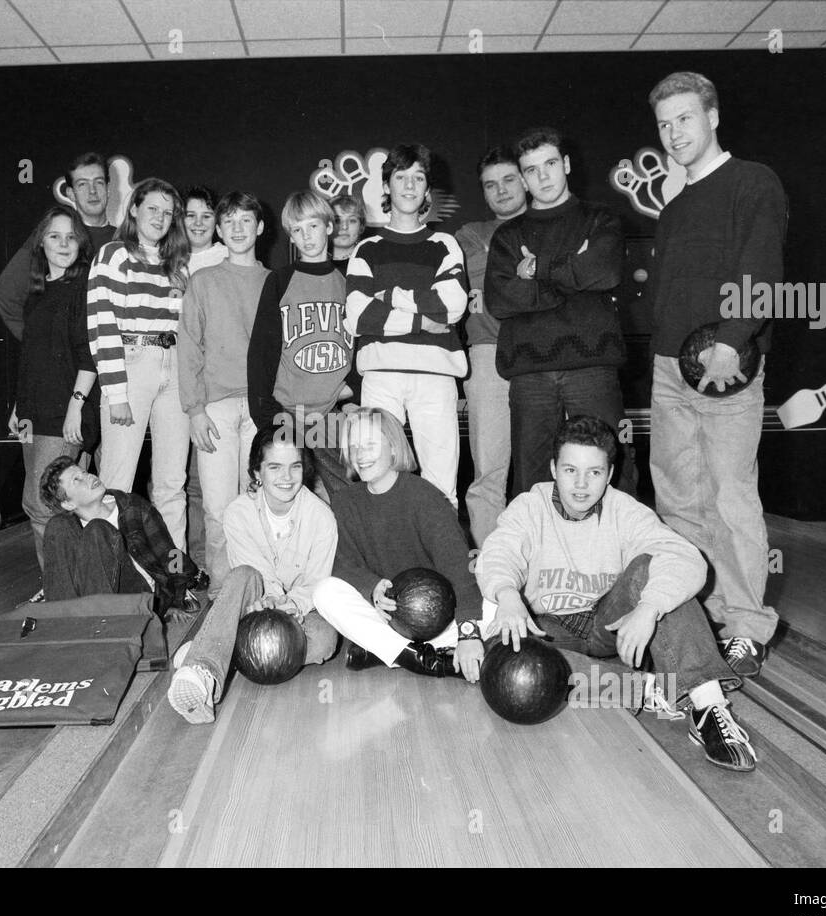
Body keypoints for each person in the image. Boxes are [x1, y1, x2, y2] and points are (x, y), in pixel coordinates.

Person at [474, 416, 754, 771]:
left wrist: (649, 608)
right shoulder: (529, 506)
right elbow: (499, 551)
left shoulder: (625, 509)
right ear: (552, 469)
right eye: (570, 470)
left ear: (608, 475)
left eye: (594, 473)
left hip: (610, 623)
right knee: (500, 662)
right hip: (547, 630)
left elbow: (686, 558)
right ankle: (648, 689)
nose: (580, 484)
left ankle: (708, 706)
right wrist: (507, 593)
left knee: (656, 571)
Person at [647, 71, 787, 677]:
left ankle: (747, 625)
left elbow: (760, 264)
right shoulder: (674, 206)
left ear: (712, 116)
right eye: (664, 124)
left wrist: (733, 340)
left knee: (730, 496)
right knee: (678, 499)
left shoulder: (752, 182)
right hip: (668, 370)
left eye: (684, 118)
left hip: (726, 365)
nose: (674, 132)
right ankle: (698, 612)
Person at [484, 128, 635, 499]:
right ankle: (538, 557)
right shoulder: (508, 235)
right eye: (531, 170)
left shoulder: (601, 219)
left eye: (550, 164)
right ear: (522, 177)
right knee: (532, 479)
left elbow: (605, 272)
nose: (543, 176)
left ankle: (620, 555)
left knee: (611, 468)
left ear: (566, 164)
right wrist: (572, 272)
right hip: (528, 374)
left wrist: (536, 270)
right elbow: (500, 300)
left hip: (593, 366)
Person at [168, 428, 339, 723]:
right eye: (274, 467)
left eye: (294, 466)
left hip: (300, 606)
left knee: (324, 642)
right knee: (242, 574)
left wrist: (292, 605)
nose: (286, 477)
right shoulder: (238, 512)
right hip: (255, 597)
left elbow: (316, 579)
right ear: (257, 472)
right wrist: (270, 600)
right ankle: (203, 671)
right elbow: (254, 570)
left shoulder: (322, 516)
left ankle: (212, 648)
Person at [313, 408, 484, 679]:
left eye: (369, 445)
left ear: (393, 448)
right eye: (354, 447)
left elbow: (460, 570)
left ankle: (385, 652)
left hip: (441, 617)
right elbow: (340, 563)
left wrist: (469, 633)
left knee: (498, 607)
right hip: (387, 617)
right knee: (324, 592)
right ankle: (421, 659)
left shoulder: (425, 496)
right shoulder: (345, 501)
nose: (360, 455)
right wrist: (372, 587)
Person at [344, 144, 469, 509]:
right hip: (381, 375)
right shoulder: (366, 249)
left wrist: (390, 295)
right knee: (378, 477)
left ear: (428, 190)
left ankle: (440, 566)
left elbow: (452, 305)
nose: (410, 186)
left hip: (436, 375)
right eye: (401, 177)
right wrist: (420, 319)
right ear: (387, 187)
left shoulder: (444, 244)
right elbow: (359, 316)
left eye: (418, 178)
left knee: (442, 486)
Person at [87, 177, 192, 551]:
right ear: (133, 209)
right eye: (153, 209)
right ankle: (108, 575)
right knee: (117, 482)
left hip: (174, 366)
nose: (160, 218)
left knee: (171, 482)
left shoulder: (177, 264)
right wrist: (116, 393)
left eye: (168, 213)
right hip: (131, 366)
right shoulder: (114, 255)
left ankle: (176, 575)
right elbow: (102, 325)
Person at [178, 191, 270, 595]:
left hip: (261, 408)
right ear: (218, 230)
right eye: (229, 221)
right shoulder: (203, 281)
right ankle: (220, 591)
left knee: (257, 504)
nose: (237, 229)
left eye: (245, 221)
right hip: (214, 408)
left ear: (260, 228)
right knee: (217, 508)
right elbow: (188, 347)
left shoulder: (274, 282)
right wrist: (195, 410)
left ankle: (257, 588)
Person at [248, 190, 358, 501]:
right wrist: (267, 417)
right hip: (288, 413)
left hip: (330, 414)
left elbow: (362, 342)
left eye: (312, 226)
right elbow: (261, 354)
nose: (306, 236)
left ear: (329, 226)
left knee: (349, 496)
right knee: (285, 496)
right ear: (290, 237)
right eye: (297, 230)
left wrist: (353, 390)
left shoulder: (350, 281)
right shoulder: (280, 281)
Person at [10, 207, 99, 587]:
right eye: (54, 236)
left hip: (64, 412)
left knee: (42, 504)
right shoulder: (37, 295)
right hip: (33, 413)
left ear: (80, 243)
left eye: (70, 236)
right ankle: (69, 587)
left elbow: (89, 356)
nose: (63, 244)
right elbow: (33, 357)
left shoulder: (84, 290)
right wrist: (18, 405)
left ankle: (60, 591)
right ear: (41, 243)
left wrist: (75, 407)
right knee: (51, 505)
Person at [455, 148, 529, 546]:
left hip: (544, 352)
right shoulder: (470, 234)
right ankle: (489, 560)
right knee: (489, 469)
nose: (500, 191)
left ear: (525, 179)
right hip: (487, 351)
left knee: (547, 466)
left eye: (508, 180)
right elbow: (474, 275)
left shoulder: (547, 224)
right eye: (490, 184)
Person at [38, 456, 202, 615]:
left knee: (98, 529)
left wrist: (177, 596)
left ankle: (100, 627)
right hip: (92, 604)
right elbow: (64, 576)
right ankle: (59, 623)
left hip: (140, 599)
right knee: (56, 525)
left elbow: (171, 554)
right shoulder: (69, 528)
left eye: (85, 472)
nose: (89, 477)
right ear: (68, 503)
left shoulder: (132, 507)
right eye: (77, 480)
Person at [0, 153, 118, 341]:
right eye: (82, 184)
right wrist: (39, 345)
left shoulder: (125, 240)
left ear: (108, 189)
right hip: (67, 365)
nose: (92, 191)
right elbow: (6, 293)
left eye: (98, 182)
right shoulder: (52, 237)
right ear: (70, 193)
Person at [181, 185, 227, 572]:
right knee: (168, 481)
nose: (197, 223)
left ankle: (206, 564)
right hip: (169, 377)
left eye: (206, 215)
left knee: (201, 483)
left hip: (209, 387)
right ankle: (181, 565)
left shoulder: (228, 256)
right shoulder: (169, 258)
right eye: (190, 215)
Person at [329, 195, 364, 273]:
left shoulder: (371, 263)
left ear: (361, 226)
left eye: (352, 220)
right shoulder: (314, 264)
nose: (344, 227)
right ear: (327, 226)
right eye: (337, 220)